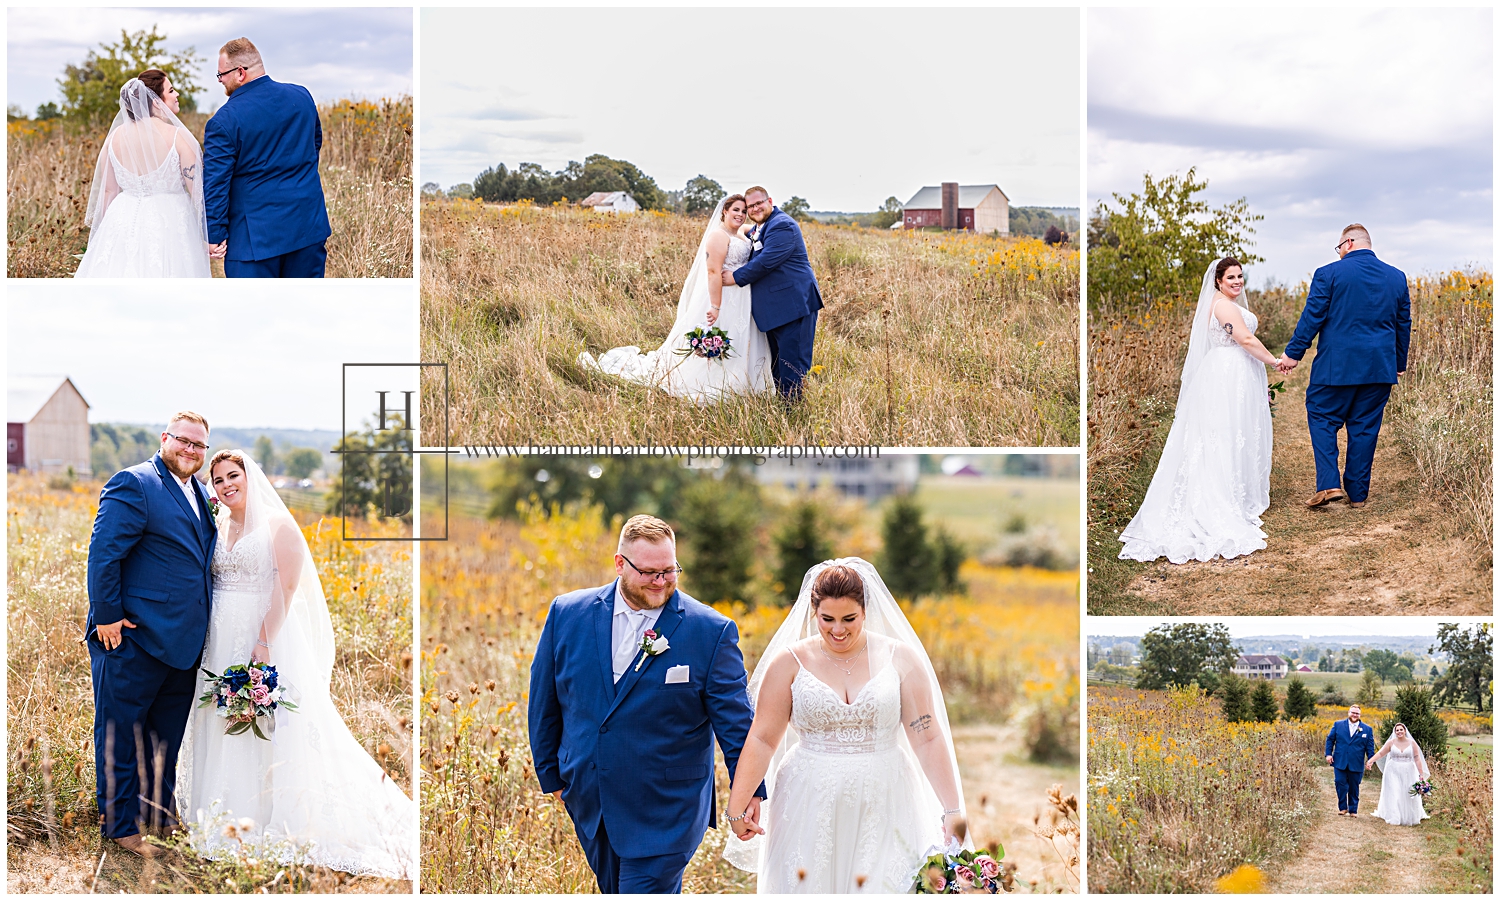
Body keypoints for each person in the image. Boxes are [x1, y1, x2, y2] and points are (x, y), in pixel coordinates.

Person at [176, 450, 416, 877]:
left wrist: (263, 643)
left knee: (268, 725)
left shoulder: (278, 526)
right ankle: (219, 815)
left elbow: (286, 587)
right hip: (218, 641)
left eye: (234, 475)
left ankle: (269, 816)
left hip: (262, 636)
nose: (226, 484)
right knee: (221, 717)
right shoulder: (217, 524)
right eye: (218, 480)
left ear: (251, 477)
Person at [527, 515, 764, 893]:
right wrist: (553, 777)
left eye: (670, 571)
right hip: (593, 802)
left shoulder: (711, 631)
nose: (662, 581)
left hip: (668, 809)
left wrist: (749, 789)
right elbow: (545, 702)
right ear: (620, 563)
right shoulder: (567, 614)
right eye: (650, 572)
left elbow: (736, 723)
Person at [723, 559, 966, 892]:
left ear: (866, 611)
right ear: (814, 613)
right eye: (828, 619)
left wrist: (952, 809)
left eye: (849, 619)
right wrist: (738, 805)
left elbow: (927, 737)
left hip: (887, 796)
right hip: (808, 797)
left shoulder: (901, 659)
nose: (838, 630)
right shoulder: (789, 663)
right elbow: (763, 738)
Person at [85, 412, 217, 857]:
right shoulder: (135, 483)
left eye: (200, 445)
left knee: (164, 739)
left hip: (180, 647)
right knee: (119, 736)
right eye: (184, 441)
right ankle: (120, 828)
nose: (191, 451)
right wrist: (106, 616)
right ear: (165, 439)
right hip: (130, 639)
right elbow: (104, 553)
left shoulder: (199, 492)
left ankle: (159, 816)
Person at [1118, 257, 1279, 563]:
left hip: (1237, 373)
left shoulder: (1225, 303)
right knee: (1220, 435)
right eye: (1231, 277)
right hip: (1226, 375)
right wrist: (1275, 361)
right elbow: (1244, 338)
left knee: (1234, 434)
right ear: (1218, 281)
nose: (1237, 281)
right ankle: (1216, 498)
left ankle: (1235, 491)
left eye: (1240, 276)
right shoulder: (1221, 306)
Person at [580, 196, 772, 398]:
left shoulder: (741, 232)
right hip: (724, 295)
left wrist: (765, 211)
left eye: (743, 211)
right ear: (724, 211)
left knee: (743, 337)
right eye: (736, 210)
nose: (740, 215)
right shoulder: (718, 236)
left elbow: (759, 224)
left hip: (743, 296)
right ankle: (716, 381)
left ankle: (744, 381)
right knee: (724, 333)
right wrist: (716, 306)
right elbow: (713, 273)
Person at [1277, 224, 1411, 508]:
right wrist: (1399, 362)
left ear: (1348, 243)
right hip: (1379, 368)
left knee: (1322, 416)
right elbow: (1403, 324)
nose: (1338, 254)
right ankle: (1359, 495)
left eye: (1339, 248)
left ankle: (1329, 484)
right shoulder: (1396, 277)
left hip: (1335, 368)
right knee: (1365, 428)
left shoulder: (1328, 274)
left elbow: (1312, 316)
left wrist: (1293, 354)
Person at [203, 37, 332, 277]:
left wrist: (214, 234)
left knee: (255, 312)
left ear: (240, 72)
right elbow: (314, 148)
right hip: (307, 226)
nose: (220, 80)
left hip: (255, 241)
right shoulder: (302, 97)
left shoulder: (223, 121)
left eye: (221, 74)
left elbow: (216, 183)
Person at [75, 73, 212, 277]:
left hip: (122, 220)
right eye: (171, 90)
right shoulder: (179, 137)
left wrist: (101, 236)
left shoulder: (114, 138)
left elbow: (108, 190)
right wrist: (209, 236)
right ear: (156, 103)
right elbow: (198, 195)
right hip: (170, 222)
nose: (177, 94)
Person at [722, 186, 823, 400]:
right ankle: (783, 405)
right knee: (778, 362)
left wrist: (735, 277)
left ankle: (793, 412)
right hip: (776, 308)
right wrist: (733, 228)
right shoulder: (763, 226)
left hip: (794, 305)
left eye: (759, 203)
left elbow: (766, 262)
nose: (756, 208)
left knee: (792, 363)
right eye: (751, 206)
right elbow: (752, 232)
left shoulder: (783, 225)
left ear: (770, 201)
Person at [1367, 723, 1431, 826]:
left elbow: (1417, 758)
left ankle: (1410, 815)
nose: (1399, 732)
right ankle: (1394, 816)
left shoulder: (1412, 743)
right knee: (1394, 791)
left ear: (1405, 731)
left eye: (1401, 730)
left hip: (1409, 770)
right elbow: (1380, 753)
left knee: (1407, 791)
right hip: (1393, 770)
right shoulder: (1391, 743)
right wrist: (1370, 761)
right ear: (1395, 732)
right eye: (1397, 730)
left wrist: (1421, 773)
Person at [1325, 704, 1377, 817]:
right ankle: (1343, 807)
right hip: (1340, 761)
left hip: (1356, 762)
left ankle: (1353, 810)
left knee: (1354, 786)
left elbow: (1370, 746)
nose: (1354, 715)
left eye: (1357, 713)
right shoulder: (1338, 725)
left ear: (1360, 715)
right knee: (1340, 783)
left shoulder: (1367, 729)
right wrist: (1328, 754)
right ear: (1349, 712)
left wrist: (1370, 760)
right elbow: (1330, 739)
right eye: (1352, 712)